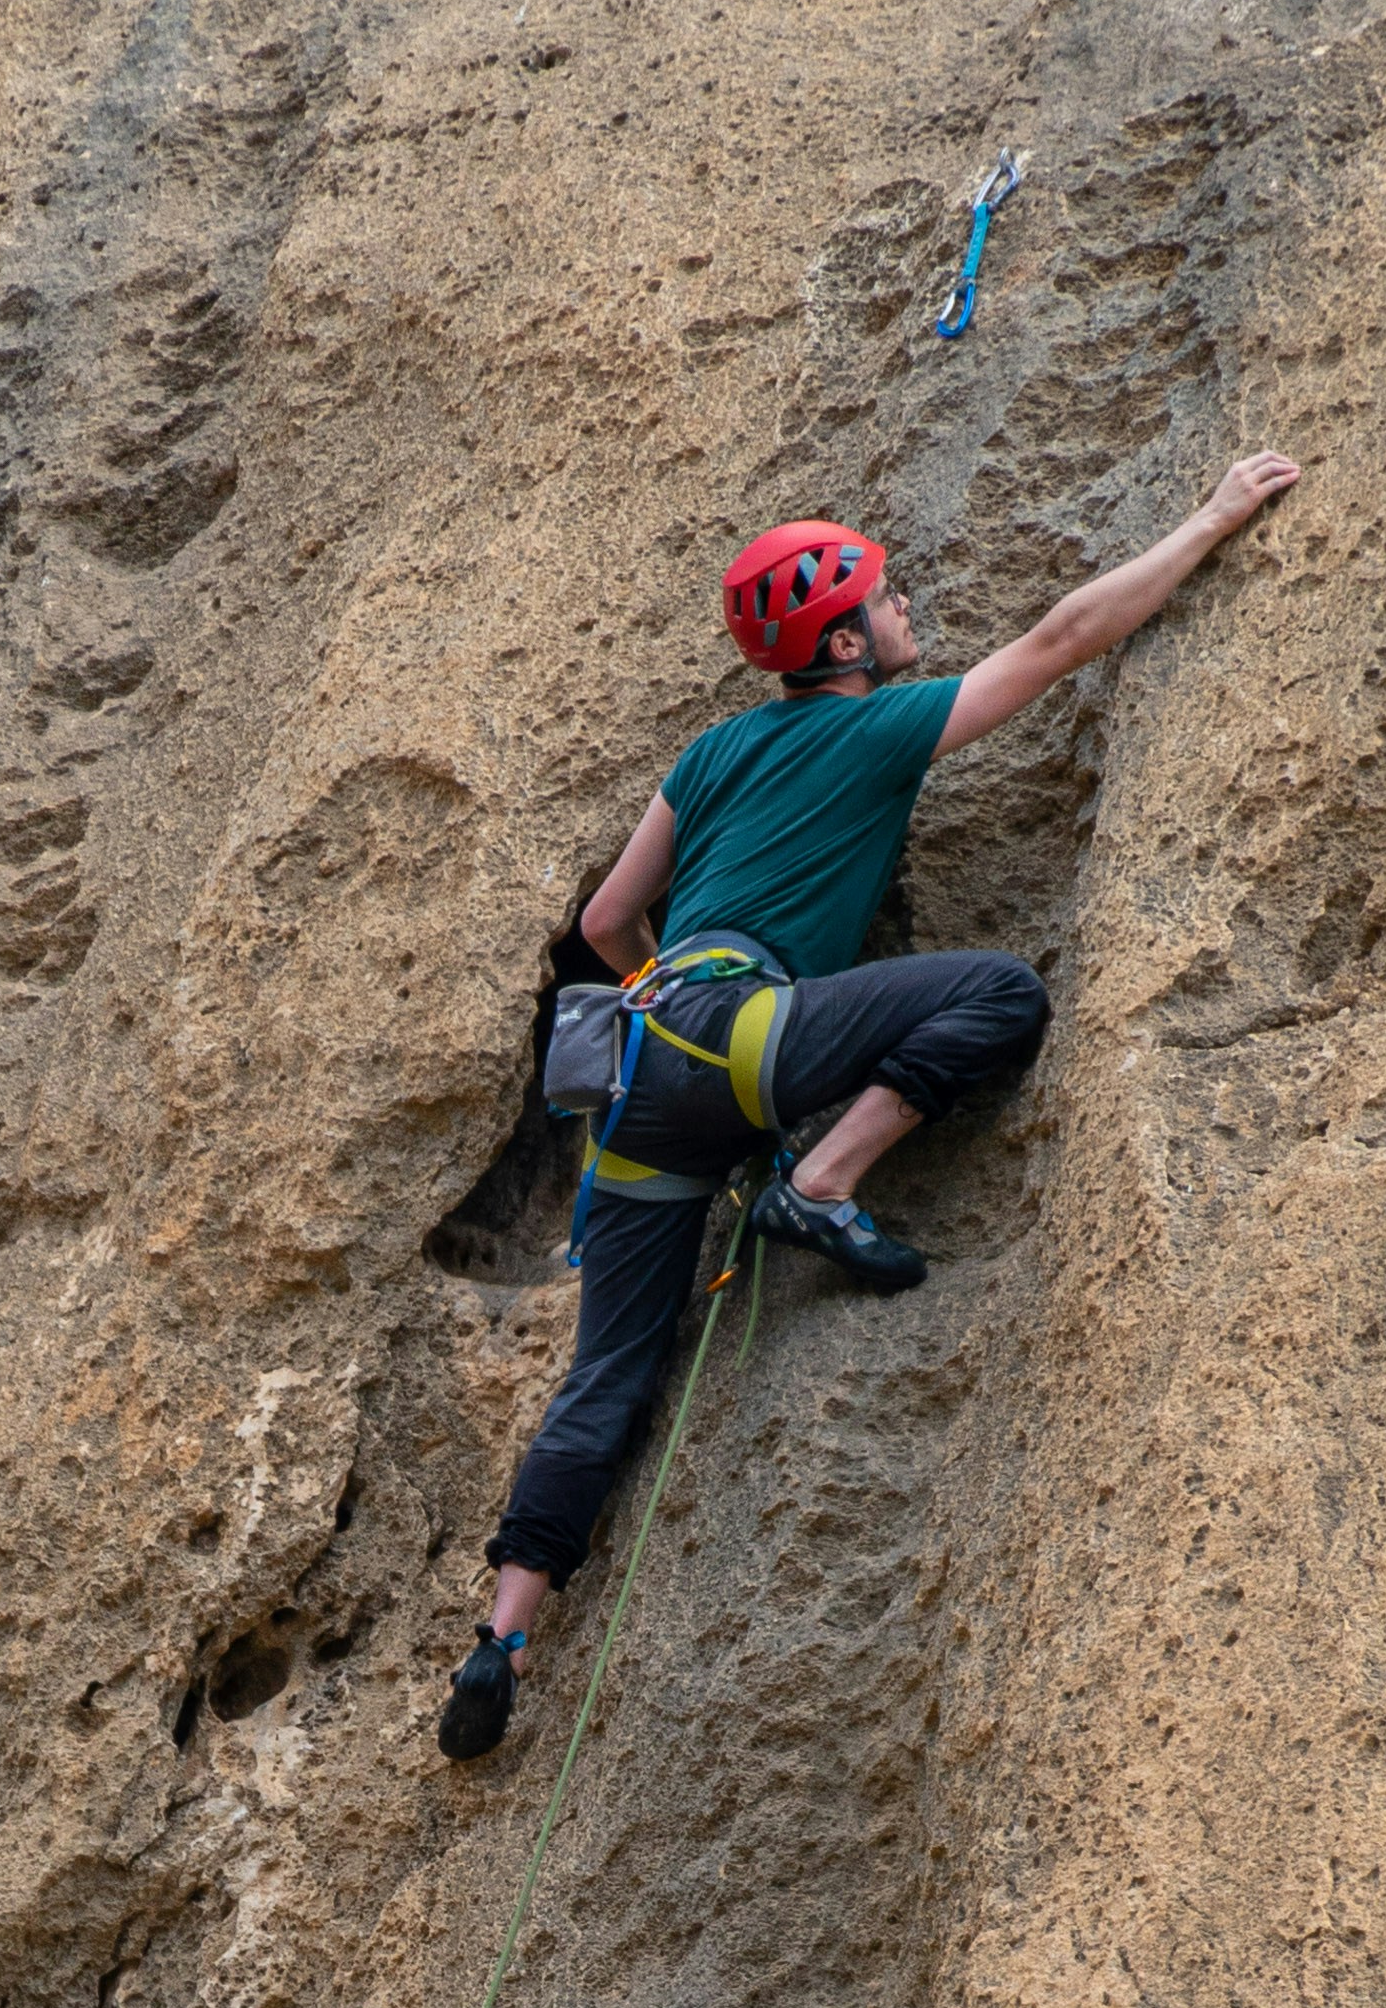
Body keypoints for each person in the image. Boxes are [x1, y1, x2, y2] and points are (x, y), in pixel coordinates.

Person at [435, 458, 1303, 1765]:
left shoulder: (712, 751)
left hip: (635, 1082)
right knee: (1002, 996)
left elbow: (609, 924)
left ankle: (500, 1638)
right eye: (886, 601)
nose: (907, 612)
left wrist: (665, 1001)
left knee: (605, 1376)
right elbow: (1065, 640)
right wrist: (1215, 516)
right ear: (843, 642)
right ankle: (825, 1181)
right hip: (750, 1039)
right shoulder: (876, 725)